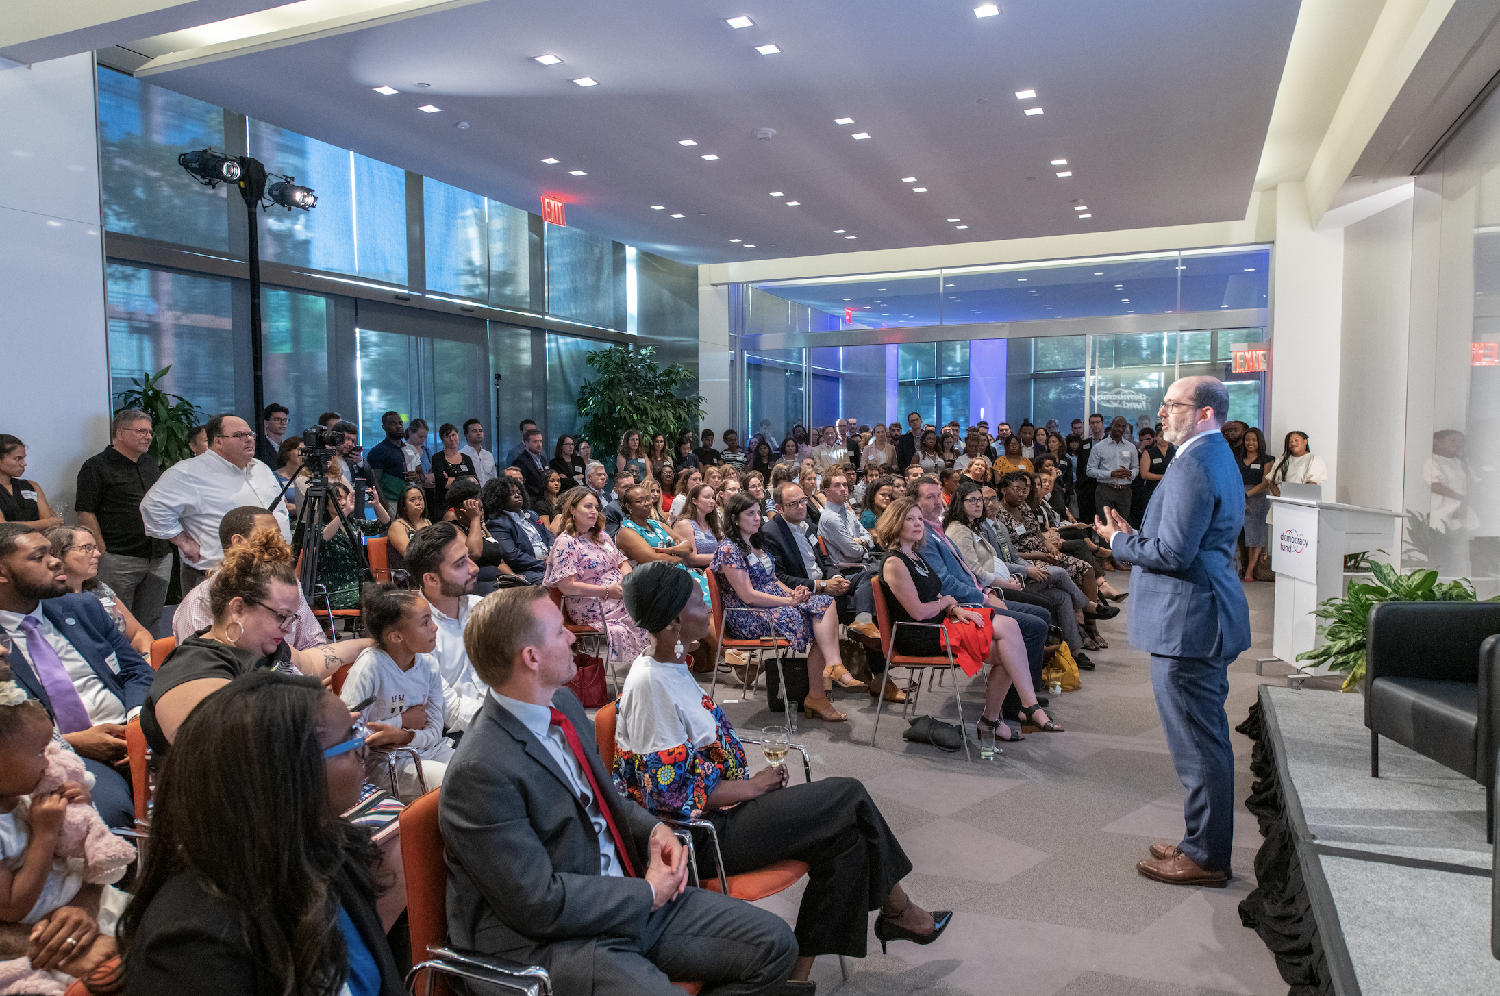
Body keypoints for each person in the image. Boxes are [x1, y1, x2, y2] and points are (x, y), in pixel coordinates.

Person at [440, 586, 797, 996]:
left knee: (774, 945)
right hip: (551, 942)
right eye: (560, 631)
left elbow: (604, 796)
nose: (574, 636)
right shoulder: (481, 771)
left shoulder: (565, 706)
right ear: (531, 658)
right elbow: (538, 903)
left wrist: (654, 830)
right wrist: (646, 892)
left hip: (622, 898)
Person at [613, 563, 950, 983]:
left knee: (846, 840)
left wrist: (747, 785)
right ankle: (898, 909)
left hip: (726, 809)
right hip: (700, 835)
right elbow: (665, 796)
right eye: (700, 599)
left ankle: (797, 977)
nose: (708, 606)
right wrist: (751, 787)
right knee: (848, 794)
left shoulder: (672, 665)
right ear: (673, 620)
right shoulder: (649, 684)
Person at [114, 671, 404, 994]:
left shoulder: (332, 846)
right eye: (352, 739)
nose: (364, 745)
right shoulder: (194, 943)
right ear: (289, 776)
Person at [1093, 376, 1251, 888]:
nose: (1162, 413)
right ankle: (1199, 840)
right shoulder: (1214, 455)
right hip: (1205, 612)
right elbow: (1188, 541)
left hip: (1190, 622)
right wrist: (1136, 535)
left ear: (1204, 412)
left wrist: (1120, 542)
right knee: (1203, 740)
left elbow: (1175, 555)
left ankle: (1207, 857)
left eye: (1172, 405)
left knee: (1198, 747)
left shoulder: (1193, 464)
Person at [144, 528, 367, 756]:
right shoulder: (194, 666)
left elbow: (314, 661)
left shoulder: (267, 648)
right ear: (238, 608)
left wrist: (372, 644)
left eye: (291, 617)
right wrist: (315, 725)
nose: (288, 627)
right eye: (281, 616)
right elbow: (216, 747)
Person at [874, 498, 1059, 745]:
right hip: (921, 633)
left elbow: (936, 594)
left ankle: (1003, 715)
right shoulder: (895, 562)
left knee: (1011, 638)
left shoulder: (915, 556)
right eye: (910, 519)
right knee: (1010, 644)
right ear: (895, 523)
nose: (918, 524)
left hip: (943, 622)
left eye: (920, 518)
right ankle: (1022, 708)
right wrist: (946, 603)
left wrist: (954, 608)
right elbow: (918, 612)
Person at [0, 662, 125, 986]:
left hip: (67, 896)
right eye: (41, 753)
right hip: (35, 922)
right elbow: (10, 907)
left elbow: (76, 839)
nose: (3, 649)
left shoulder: (23, 774)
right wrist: (55, 944)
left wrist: (77, 802)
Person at [711, 493, 850, 722]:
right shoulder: (729, 549)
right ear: (735, 519)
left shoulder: (756, 542)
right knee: (820, 622)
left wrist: (793, 593)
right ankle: (820, 691)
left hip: (772, 604)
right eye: (750, 514)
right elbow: (747, 595)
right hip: (749, 615)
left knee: (826, 603)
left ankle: (831, 670)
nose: (757, 518)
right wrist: (789, 601)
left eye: (758, 513)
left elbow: (773, 580)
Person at [140, 414, 291, 593]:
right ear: (217, 441)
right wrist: (183, 542)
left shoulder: (261, 468)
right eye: (240, 435)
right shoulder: (189, 472)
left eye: (251, 434)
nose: (249, 439)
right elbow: (152, 507)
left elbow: (280, 509)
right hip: (222, 576)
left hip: (271, 572)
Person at [340, 584, 453, 802]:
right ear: (396, 637)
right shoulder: (370, 666)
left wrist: (404, 736)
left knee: (483, 774)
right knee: (457, 784)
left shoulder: (428, 665)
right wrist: (402, 721)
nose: (435, 627)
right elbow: (346, 734)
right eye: (425, 622)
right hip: (387, 763)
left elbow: (435, 731)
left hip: (430, 749)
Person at [74, 410, 173, 631]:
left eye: (149, 431)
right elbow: (85, 512)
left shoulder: (150, 464)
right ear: (120, 433)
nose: (148, 436)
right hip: (119, 556)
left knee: (152, 619)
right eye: (140, 431)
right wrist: (102, 551)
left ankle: (150, 663)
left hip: (158, 556)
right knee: (116, 621)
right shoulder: (96, 466)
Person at [758, 483, 861, 689]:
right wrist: (822, 585)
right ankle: (829, 675)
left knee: (870, 584)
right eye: (793, 504)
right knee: (828, 607)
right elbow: (780, 577)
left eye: (803, 501)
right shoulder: (771, 532)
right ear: (779, 508)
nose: (801, 507)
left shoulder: (810, 527)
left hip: (826, 588)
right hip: (803, 595)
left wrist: (836, 578)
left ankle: (875, 672)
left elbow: (825, 561)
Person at [544, 488, 652, 668]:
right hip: (588, 602)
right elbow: (567, 587)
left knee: (653, 599)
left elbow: (622, 562)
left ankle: (659, 659)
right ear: (572, 509)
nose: (594, 511)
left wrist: (628, 582)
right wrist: (608, 591)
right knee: (647, 609)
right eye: (588, 506)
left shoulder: (602, 536)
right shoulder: (566, 542)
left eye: (596, 506)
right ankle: (655, 660)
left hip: (617, 593)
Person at [405, 523, 485, 732]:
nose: (474, 568)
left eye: (468, 557)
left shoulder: (481, 607)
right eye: (460, 564)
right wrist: (506, 722)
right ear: (431, 579)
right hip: (456, 737)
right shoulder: (416, 633)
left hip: (496, 719)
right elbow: (449, 711)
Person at [44, 526, 152, 657]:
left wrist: (149, 657)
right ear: (58, 554)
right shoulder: (46, 601)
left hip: (128, 665)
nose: (97, 554)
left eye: (95, 548)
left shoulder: (99, 589)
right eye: (87, 548)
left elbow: (138, 633)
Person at [316, 481, 390, 609]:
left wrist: (376, 505)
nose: (344, 502)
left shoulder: (353, 524)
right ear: (325, 504)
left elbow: (384, 523)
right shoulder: (320, 528)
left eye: (346, 498)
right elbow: (323, 537)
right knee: (375, 600)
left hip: (357, 584)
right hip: (334, 589)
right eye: (338, 499)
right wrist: (344, 512)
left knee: (388, 595)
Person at [489, 476, 555, 584]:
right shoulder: (497, 523)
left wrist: (553, 554)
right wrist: (545, 563)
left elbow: (549, 536)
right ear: (499, 497)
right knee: (555, 582)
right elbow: (512, 556)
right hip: (528, 570)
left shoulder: (532, 516)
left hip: (550, 563)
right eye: (511, 493)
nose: (517, 495)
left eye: (519, 492)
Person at [0, 436, 62, 532]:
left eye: (24, 458)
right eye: (18, 458)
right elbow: (2, 526)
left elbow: (51, 526)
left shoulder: (32, 486)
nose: (24, 463)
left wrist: (48, 523)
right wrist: (45, 523)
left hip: (38, 543)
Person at [1236, 427, 1274, 582]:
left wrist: (1247, 495)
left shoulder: (1267, 459)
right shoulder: (1237, 459)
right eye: (1247, 440)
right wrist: (1239, 497)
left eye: (1254, 440)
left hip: (1258, 499)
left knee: (1255, 537)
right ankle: (1239, 567)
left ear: (1260, 442)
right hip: (1238, 498)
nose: (1250, 443)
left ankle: (1250, 571)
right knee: (1237, 535)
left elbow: (1266, 482)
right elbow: (1233, 479)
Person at [818, 469, 874, 569]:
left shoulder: (848, 512)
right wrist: (864, 543)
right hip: (849, 570)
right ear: (827, 491)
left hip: (863, 563)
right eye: (837, 485)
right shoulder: (831, 518)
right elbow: (853, 552)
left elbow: (869, 537)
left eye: (845, 485)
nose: (843, 489)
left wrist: (859, 540)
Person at [1087, 416, 1138, 524]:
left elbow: (1135, 469)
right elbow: (1090, 471)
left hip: (1124, 491)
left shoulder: (1131, 447)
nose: (1120, 429)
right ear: (1111, 425)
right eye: (1117, 425)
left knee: (1122, 526)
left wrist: (1129, 473)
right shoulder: (1099, 447)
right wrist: (1111, 474)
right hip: (1105, 490)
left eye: (1123, 427)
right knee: (1106, 526)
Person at [365, 410, 409, 512]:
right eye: (393, 423)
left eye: (400, 423)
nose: (398, 426)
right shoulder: (378, 451)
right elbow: (374, 481)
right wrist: (385, 506)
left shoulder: (408, 449)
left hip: (408, 500)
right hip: (391, 502)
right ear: (384, 427)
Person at [431, 422, 477, 513]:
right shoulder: (437, 458)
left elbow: (475, 482)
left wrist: (452, 479)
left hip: (466, 503)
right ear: (442, 439)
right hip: (445, 505)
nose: (452, 439)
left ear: (458, 435)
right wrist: (466, 480)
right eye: (447, 436)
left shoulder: (466, 459)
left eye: (453, 435)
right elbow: (444, 483)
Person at [386, 484, 431, 575]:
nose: (418, 502)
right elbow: (409, 555)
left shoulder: (427, 523)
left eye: (420, 499)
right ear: (404, 505)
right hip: (405, 576)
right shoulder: (397, 526)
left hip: (426, 571)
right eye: (412, 500)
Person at [1136, 426, 1176, 527]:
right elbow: (1144, 474)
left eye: (1166, 436)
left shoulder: (1175, 452)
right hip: (1152, 490)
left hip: (1170, 490)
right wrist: (1162, 477)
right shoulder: (1149, 453)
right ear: (1155, 438)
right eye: (1161, 436)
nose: (1164, 438)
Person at [1076, 413, 1105, 524]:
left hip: (1103, 485)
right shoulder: (1084, 444)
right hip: (1086, 487)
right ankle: (1086, 541)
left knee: (1103, 519)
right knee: (1086, 520)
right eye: (1092, 423)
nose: (1095, 425)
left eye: (1098, 422)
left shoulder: (1109, 442)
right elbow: (1080, 467)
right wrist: (1080, 487)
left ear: (1102, 423)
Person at [402, 418, 435, 495]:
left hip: (426, 491)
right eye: (420, 436)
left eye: (425, 437)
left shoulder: (427, 451)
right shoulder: (402, 450)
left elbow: (434, 472)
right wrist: (425, 477)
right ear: (410, 433)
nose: (423, 439)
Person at [459, 419, 497, 486]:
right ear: (466, 435)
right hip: (471, 494)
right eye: (474, 431)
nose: (479, 433)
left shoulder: (488, 455)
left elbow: (494, 478)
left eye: (480, 431)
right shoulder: (461, 455)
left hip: (488, 494)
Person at [254, 403, 289, 469]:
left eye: (285, 420)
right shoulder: (258, 446)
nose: (283, 423)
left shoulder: (287, 447)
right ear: (266, 423)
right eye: (278, 420)